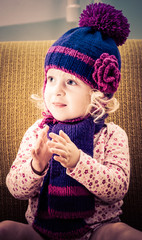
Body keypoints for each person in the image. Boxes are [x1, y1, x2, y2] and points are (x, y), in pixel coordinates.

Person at [0, 2, 142, 240]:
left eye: (71, 82)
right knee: (5, 229)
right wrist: (37, 166)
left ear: (97, 93)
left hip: (97, 230)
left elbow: (117, 190)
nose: (56, 90)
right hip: (41, 232)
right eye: (52, 78)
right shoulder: (39, 132)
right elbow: (15, 188)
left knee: (123, 234)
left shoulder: (111, 135)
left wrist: (78, 162)